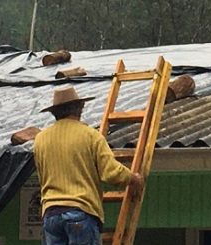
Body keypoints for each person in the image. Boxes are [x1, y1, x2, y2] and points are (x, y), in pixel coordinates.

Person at [34, 86, 143, 245]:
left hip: (51, 214)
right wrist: (133, 178)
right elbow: (111, 173)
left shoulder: (40, 139)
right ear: (79, 108)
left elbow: (42, 176)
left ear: (54, 112)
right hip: (81, 210)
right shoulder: (90, 135)